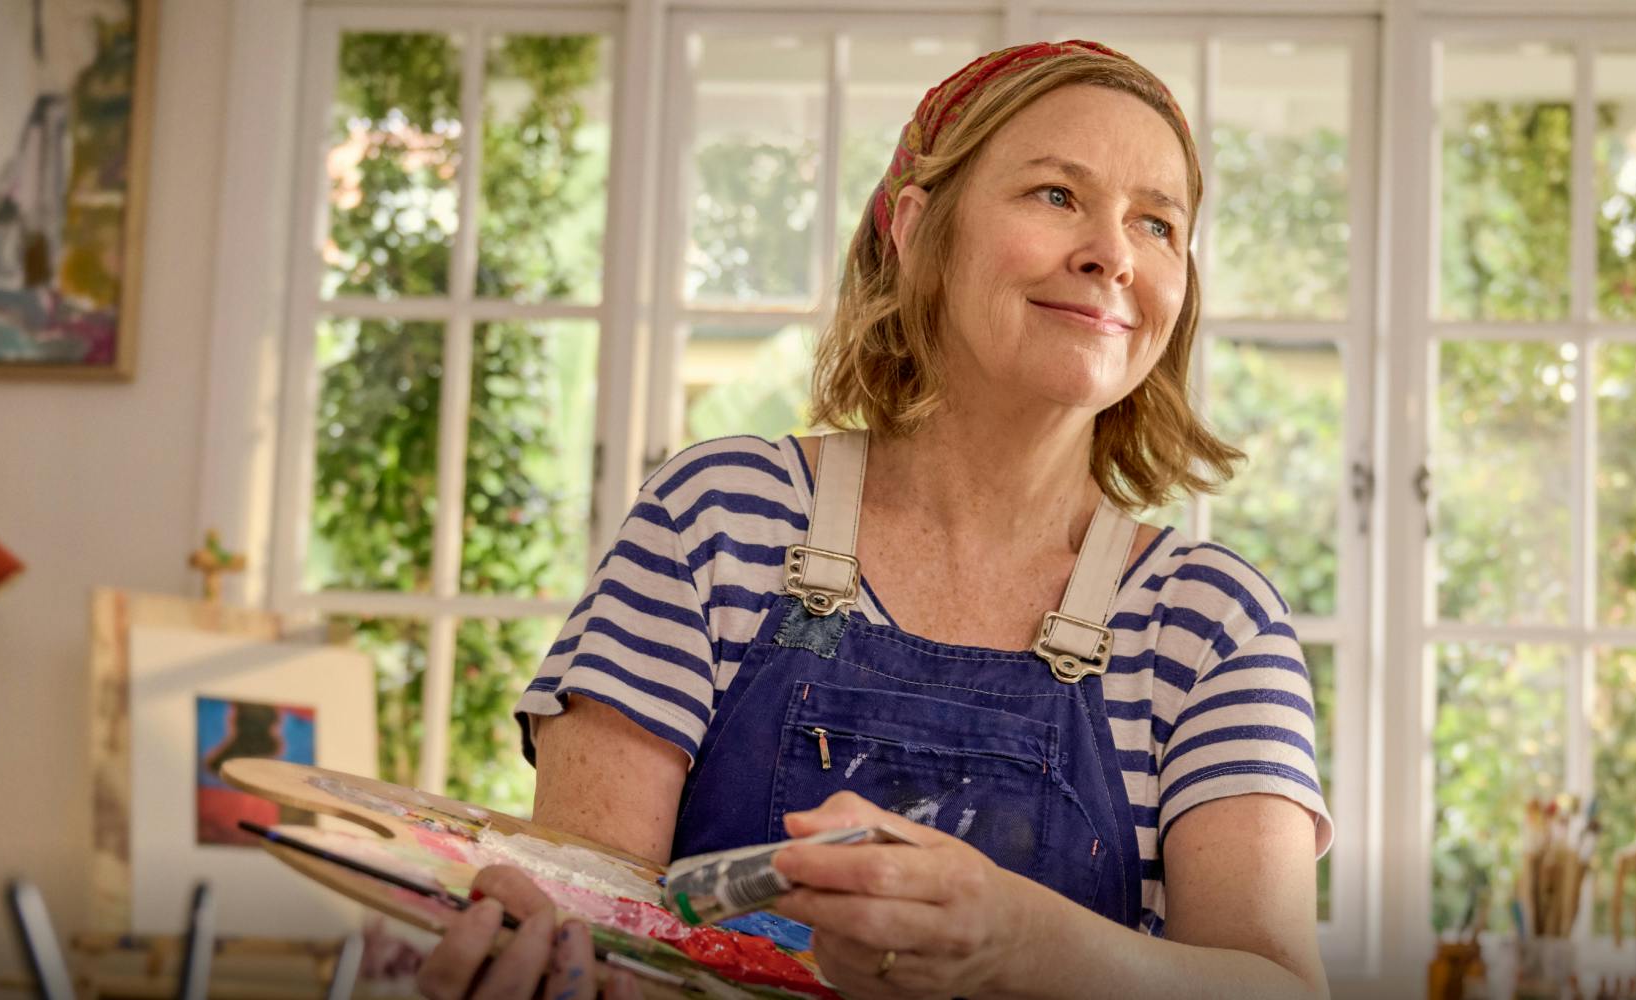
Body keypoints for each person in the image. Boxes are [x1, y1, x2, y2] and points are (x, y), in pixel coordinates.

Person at [420, 40, 1331, 1000]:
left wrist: (1020, 941)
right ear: (916, 228)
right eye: (1057, 195)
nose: (1113, 252)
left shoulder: (1214, 623)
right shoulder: (719, 523)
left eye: (1158, 223)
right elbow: (592, 924)